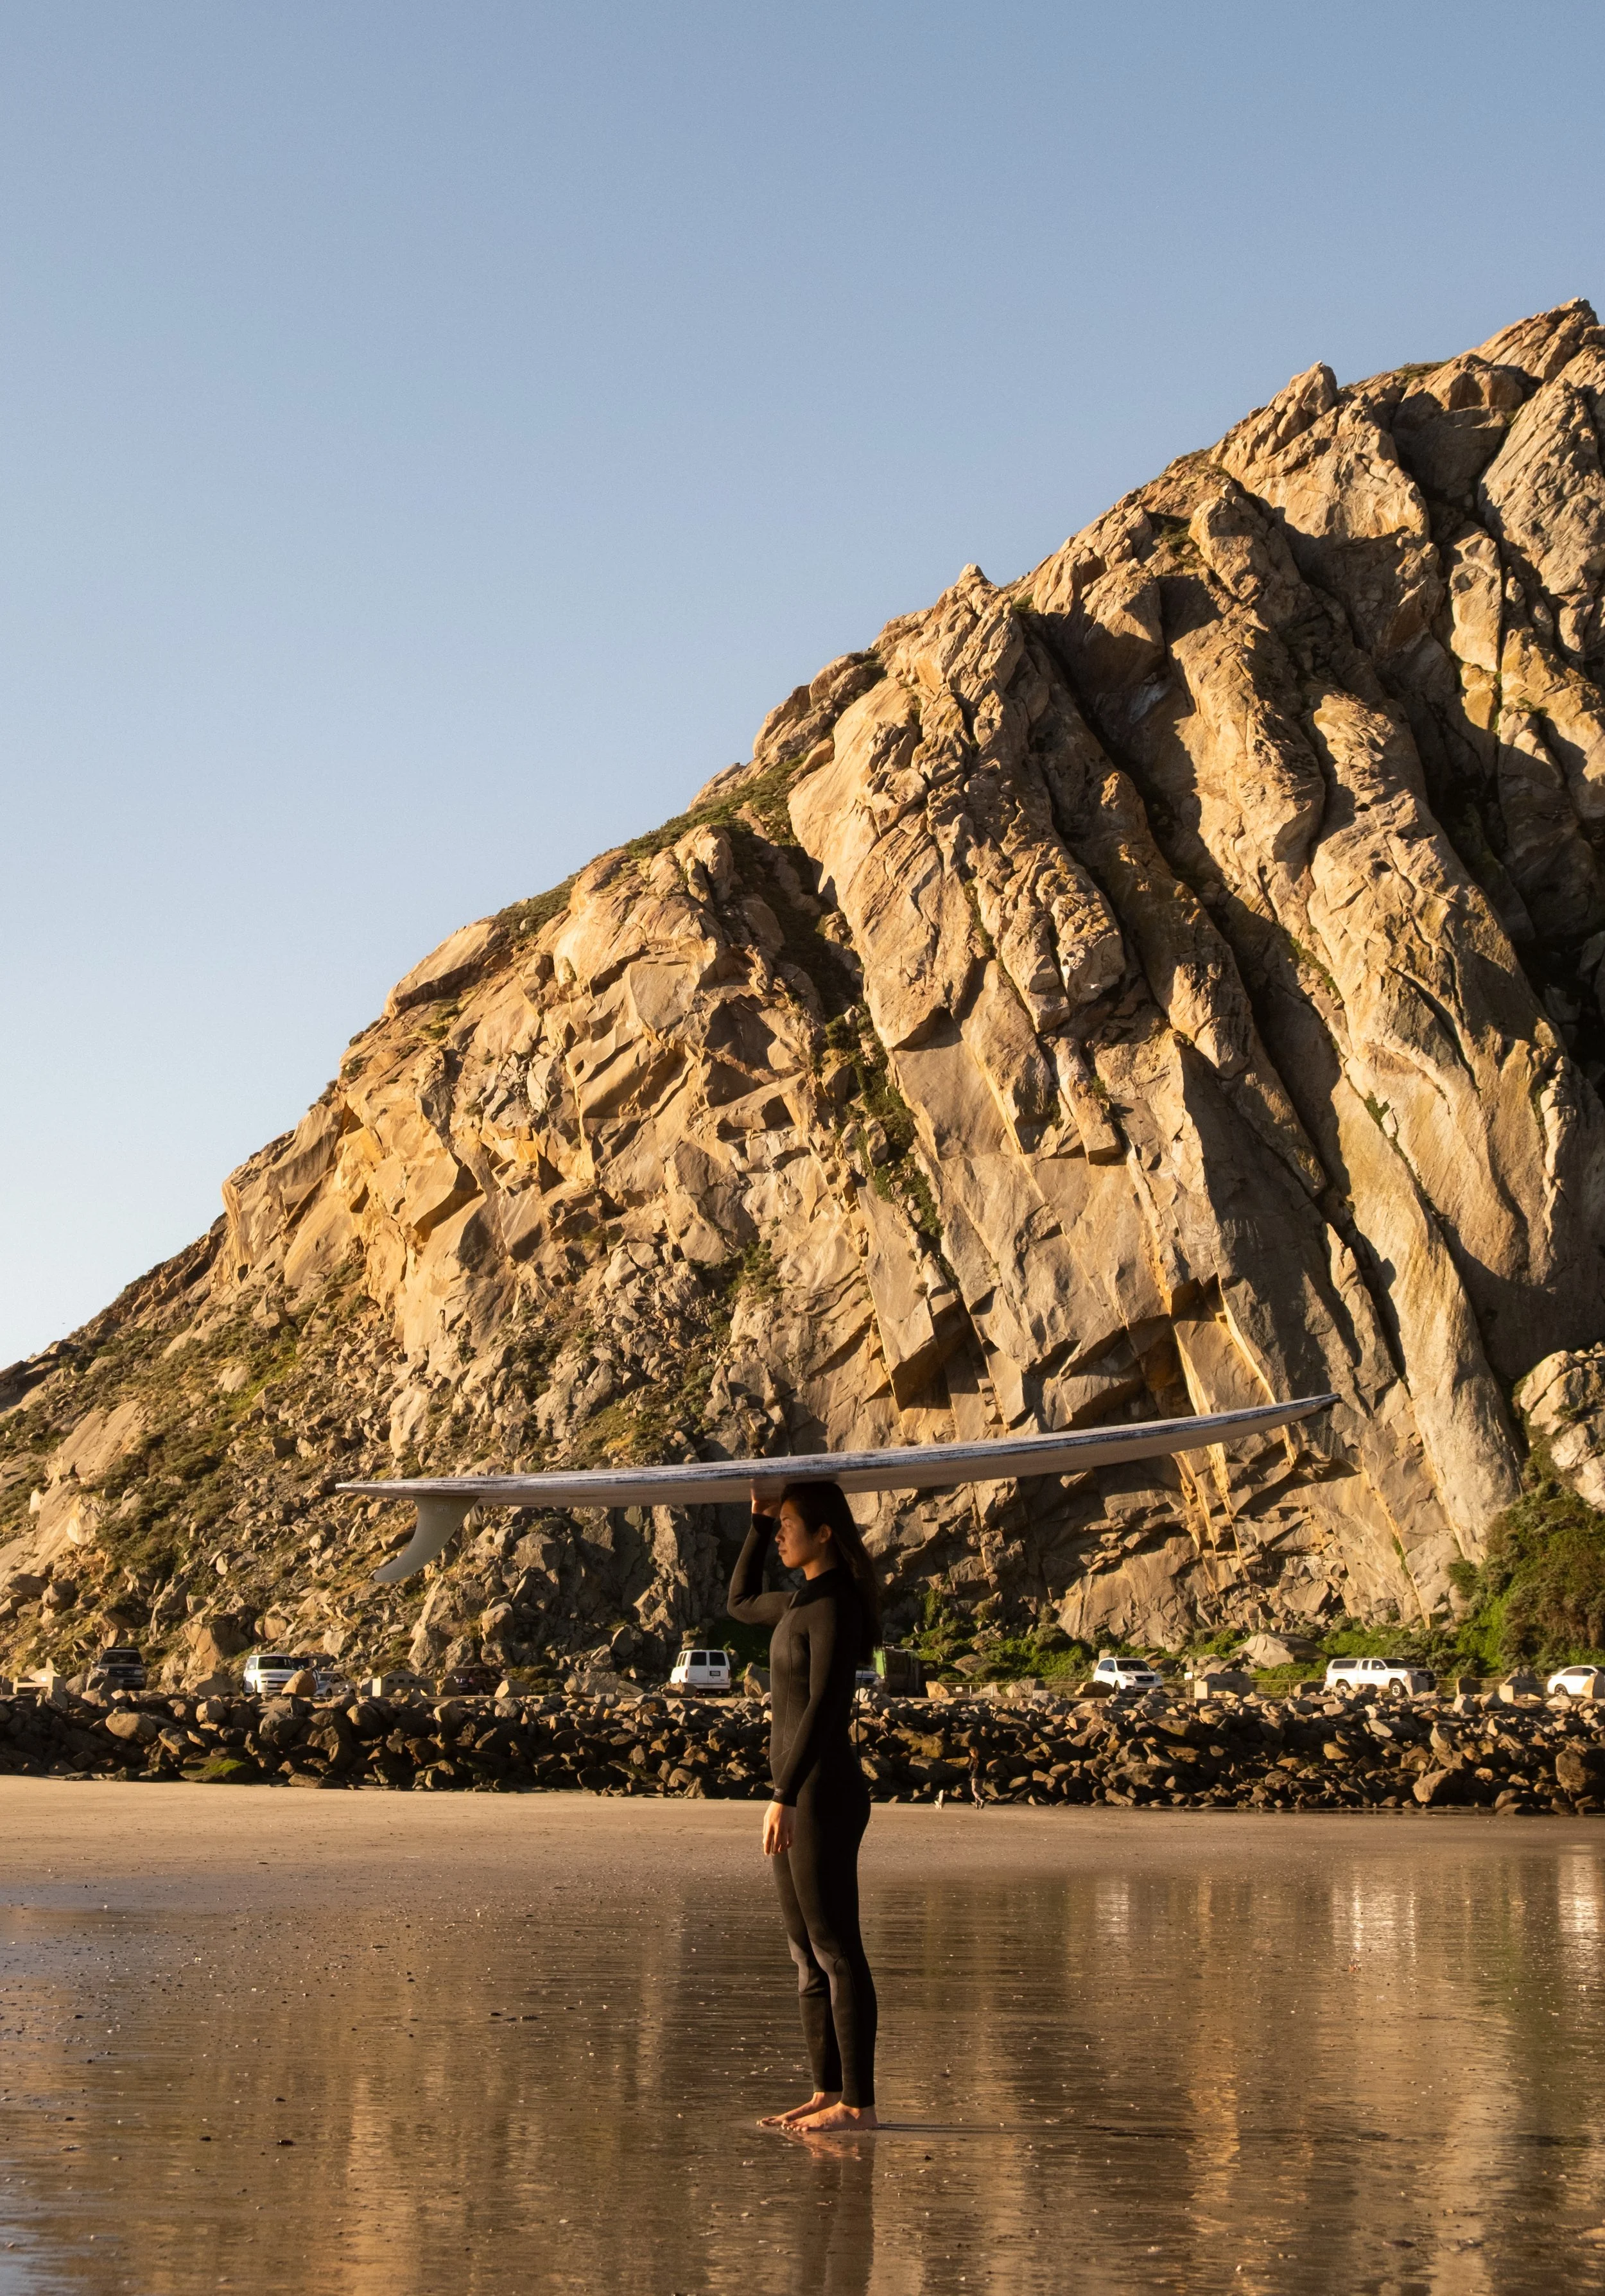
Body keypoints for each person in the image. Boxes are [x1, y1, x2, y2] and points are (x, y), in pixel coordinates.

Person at [729, 1477, 881, 2133]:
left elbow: (825, 1707)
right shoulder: (799, 1602)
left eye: (791, 1522)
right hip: (796, 1796)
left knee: (835, 1948)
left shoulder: (837, 1605)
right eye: (781, 1523)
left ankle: (859, 2105)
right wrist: (758, 1523)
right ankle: (826, 2091)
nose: (784, 1531)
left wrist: (783, 1796)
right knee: (803, 1951)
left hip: (822, 1794)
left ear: (825, 1532)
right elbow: (735, 1603)